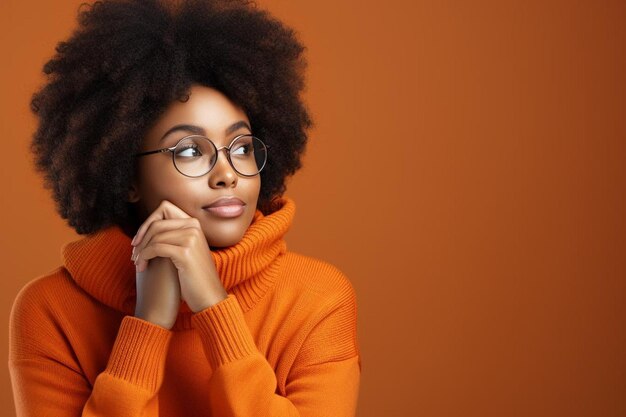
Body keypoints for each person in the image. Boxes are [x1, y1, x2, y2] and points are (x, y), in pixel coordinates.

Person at [8, 0, 361, 415]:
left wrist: (213, 306)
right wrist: (148, 325)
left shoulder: (318, 298)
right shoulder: (50, 311)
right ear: (128, 177)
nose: (228, 174)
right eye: (191, 150)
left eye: (242, 147)